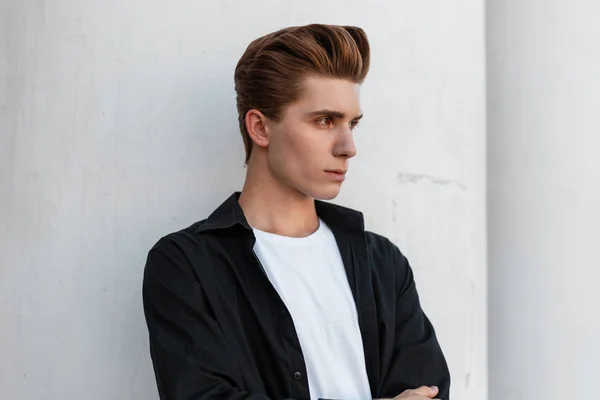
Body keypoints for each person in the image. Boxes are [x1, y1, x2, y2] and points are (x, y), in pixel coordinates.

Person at [142, 24, 450, 400]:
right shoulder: (187, 265)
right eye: (324, 121)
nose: (348, 146)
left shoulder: (382, 263)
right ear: (260, 127)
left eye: (352, 123)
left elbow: (428, 392)